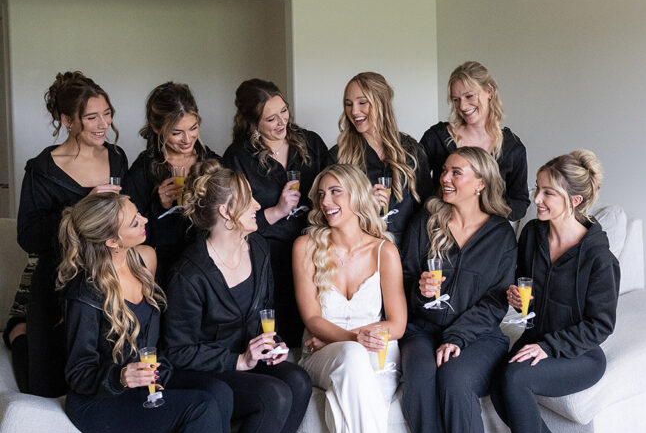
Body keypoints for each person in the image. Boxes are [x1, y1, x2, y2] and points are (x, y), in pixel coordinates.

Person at [58, 192, 236, 433]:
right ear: (112, 241)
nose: (144, 219)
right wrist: (121, 377)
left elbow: (154, 350)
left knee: (220, 394)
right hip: (101, 406)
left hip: (143, 388)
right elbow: (78, 372)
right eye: (133, 219)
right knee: (202, 408)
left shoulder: (142, 265)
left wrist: (157, 372)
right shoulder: (85, 293)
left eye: (139, 213)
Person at [163, 161, 312, 433]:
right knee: (274, 395)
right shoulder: (190, 273)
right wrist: (240, 361)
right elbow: (176, 351)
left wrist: (272, 343)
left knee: (297, 381)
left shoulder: (258, 248)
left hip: (248, 359)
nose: (258, 206)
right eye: (249, 201)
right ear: (227, 212)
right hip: (206, 371)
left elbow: (265, 313)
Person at [292, 163, 436, 433]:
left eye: (335, 191)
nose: (326, 201)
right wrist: (354, 337)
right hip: (321, 352)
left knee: (347, 403)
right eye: (321, 194)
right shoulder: (305, 247)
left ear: (356, 195)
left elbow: (399, 323)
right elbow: (312, 319)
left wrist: (364, 337)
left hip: (374, 356)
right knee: (353, 359)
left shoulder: (384, 251)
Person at [489, 150, 619, 433]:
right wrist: (512, 295)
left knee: (514, 378)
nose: (536, 199)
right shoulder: (531, 234)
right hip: (534, 339)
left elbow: (601, 325)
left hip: (579, 355)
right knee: (500, 381)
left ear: (574, 201)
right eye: (537, 189)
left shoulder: (598, 257)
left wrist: (548, 347)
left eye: (548, 193)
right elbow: (517, 281)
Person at [400, 148, 517, 433]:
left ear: (481, 182)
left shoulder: (501, 233)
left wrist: (456, 337)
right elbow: (401, 281)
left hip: (479, 336)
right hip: (421, 329)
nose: (445, 179)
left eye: (456, 172)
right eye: (445, 171)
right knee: (418, 381)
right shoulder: (426, 222)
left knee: (454, 381)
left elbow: (498, 299)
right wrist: (419, 290)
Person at [17, 71, 126, 396]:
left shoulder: (117, 158)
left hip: (106, 281)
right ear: (66, 119)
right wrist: (82, 208)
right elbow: (28, 236)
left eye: (107, 114)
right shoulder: (42, 169)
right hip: (57, 284)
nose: (102, 124)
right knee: (47, 386)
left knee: (101, 378)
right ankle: (18, 334)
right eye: (91, 117)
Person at [223, 78, 330, 347]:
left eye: (284, 111)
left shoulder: (311, 142)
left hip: (314, 248)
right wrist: (276, 211)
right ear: (252, 123)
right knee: (279, 329)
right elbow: (230, 219)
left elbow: (336, 184)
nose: (282, 122)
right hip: (267, 254)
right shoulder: (238, 157)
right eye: (271, 118)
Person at [123, 81, 220, 287]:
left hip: (208, 271)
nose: (187, 139)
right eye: (176, 132)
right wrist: (159, 206)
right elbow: (127, 234)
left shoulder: (213, 163)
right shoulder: (143, 169)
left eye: (193, 128)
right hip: (161, 271)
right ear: (157, 128)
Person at [330, 72, 431, 248]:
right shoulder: (338, 156)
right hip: (360, 255)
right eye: (348, 104)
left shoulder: (412, 151)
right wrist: (363, 205)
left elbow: (427, 208)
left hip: (408, 256)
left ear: (381, 102)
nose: (354, 111)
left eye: (362, 102)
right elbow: (326, 212)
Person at [420, 61, 529, 221]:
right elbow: (413, 185)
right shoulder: (436, 138)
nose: (463, 106)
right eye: (456, 100)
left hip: (489, 234)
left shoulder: (513, 148)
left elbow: (520, 202)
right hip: (440, 228)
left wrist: (485, 216)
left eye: (469, 96)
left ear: (489, 91)